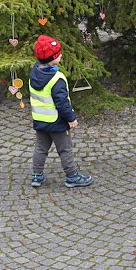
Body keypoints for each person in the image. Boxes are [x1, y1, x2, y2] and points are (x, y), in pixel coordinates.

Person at [28, 35, 93, 188]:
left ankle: (36, 176)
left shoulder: (33, 74)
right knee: (65, 150)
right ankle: (72, 176)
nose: (61, 55)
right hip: (57, 122)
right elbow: (62, 103)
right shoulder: (57, 78)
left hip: (39, 119)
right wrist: (71, 118)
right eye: (59, 54)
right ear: (53, 59)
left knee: (40, 148)